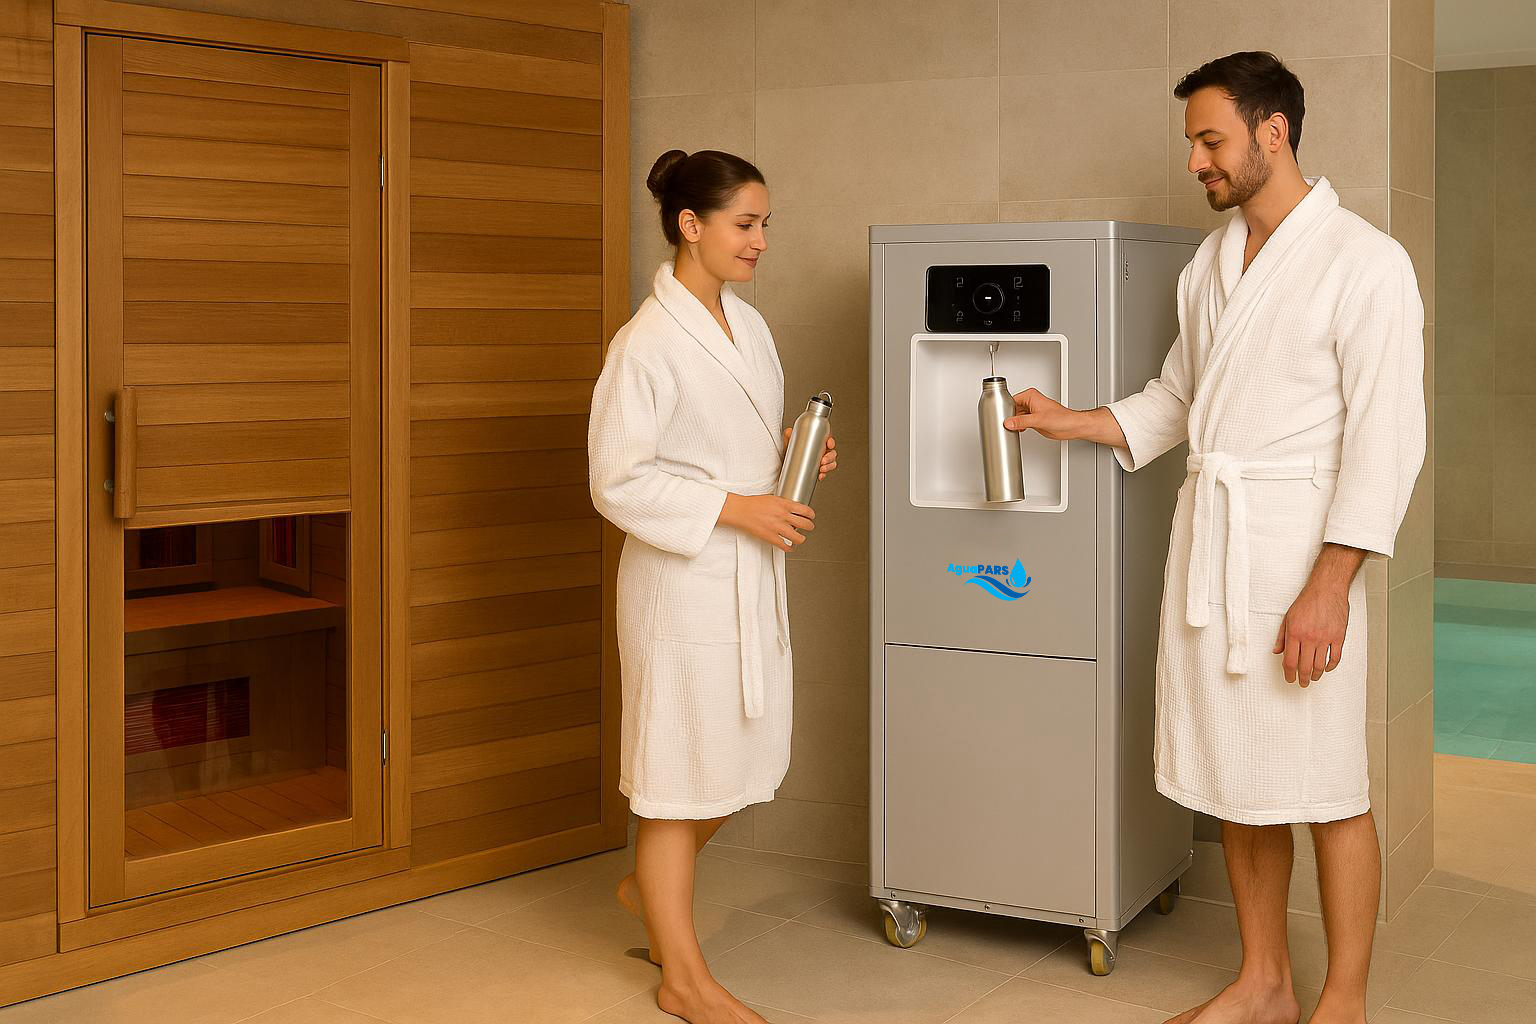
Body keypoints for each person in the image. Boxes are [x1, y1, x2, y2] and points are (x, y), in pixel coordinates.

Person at [1005, 52, 1425, 1024]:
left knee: (1328, 785)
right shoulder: (1210, 264)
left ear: (1273, 131)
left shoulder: (1366, 262)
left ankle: (1345, 1000)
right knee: (1240, 777)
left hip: (1298, 555)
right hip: (1215, 551)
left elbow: (1388, 440)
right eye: (1193, 143)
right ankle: (1263, 982)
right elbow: (1179, 397)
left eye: (1211, 140)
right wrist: (1071, 420)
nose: (1196, 161)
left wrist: (1330, 584)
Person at [587, 149, 837, 1024]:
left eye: (765, 224)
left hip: (744, 575)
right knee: (676, 774)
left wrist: (792, 453)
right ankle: (683, 978)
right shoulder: (645, 344)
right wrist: (738, 507)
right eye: (745, 223)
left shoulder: (748, 325)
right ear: (691, 225)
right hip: (681, 587)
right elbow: (617, 480)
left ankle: (647, 891)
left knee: (738, 758)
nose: (761, 240)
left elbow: (724, 439)